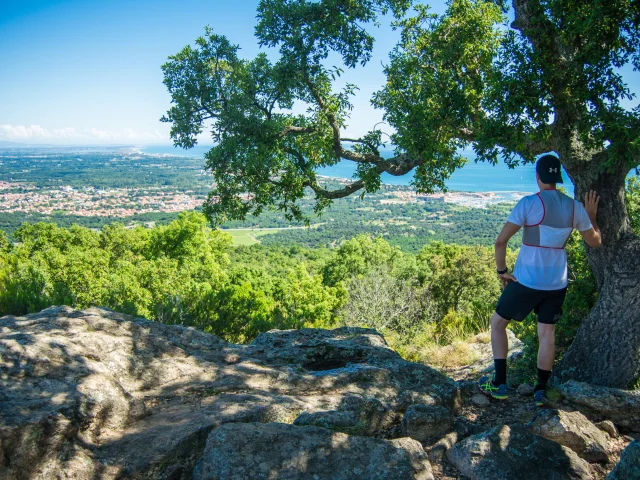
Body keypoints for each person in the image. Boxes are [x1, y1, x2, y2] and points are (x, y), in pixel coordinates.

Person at [478, 154, 602, 406]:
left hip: (526, 280)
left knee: (498, 323)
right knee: (547, 333)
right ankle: (540, 391)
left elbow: (501, 241)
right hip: (556, 282)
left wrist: (502, 271)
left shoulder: (528, 204)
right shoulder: (575, 208)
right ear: (558, 179)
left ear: (538, 177)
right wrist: (591, 216)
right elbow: (595, 241)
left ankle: (500, 383)